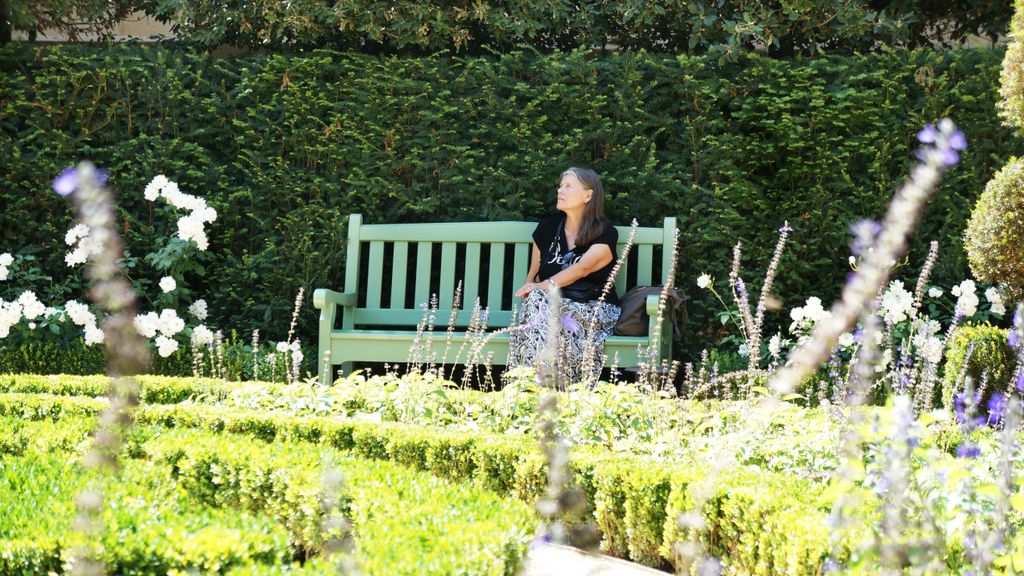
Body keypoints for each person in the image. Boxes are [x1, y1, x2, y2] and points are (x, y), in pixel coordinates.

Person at [508, 167, 621, 385]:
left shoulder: (605, 233)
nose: (560, 190)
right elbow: (533, 276)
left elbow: (583, 269)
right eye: (561, 186)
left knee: (540, 300)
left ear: (588, 195)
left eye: (568, 186)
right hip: (549, 310)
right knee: (538, 303)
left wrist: (539, 289)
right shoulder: (547, 228)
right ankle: (547, 383)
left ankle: (528, 385)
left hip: (592, 309)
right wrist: (533, 289)